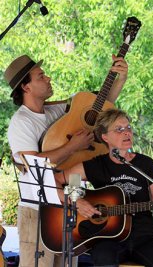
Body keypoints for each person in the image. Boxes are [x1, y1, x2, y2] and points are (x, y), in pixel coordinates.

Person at [4, 54, 128, 267]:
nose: (48, 78)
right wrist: (73, 146)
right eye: (41, 76)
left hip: (71, 205)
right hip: (38, 210)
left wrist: (120, 80)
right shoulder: (21, 122)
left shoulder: (55, 111)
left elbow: (99, 109)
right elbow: (34, 163)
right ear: (26, 87)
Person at [56, 108, 153, 267]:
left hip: (144, 236)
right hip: (108, 238)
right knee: (103, 260)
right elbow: (56, 180)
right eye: (119, 129)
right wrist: (77, 202)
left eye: (128, 128)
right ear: (105, 137)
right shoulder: (96, 166)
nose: (127, 133)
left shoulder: (145, 163)